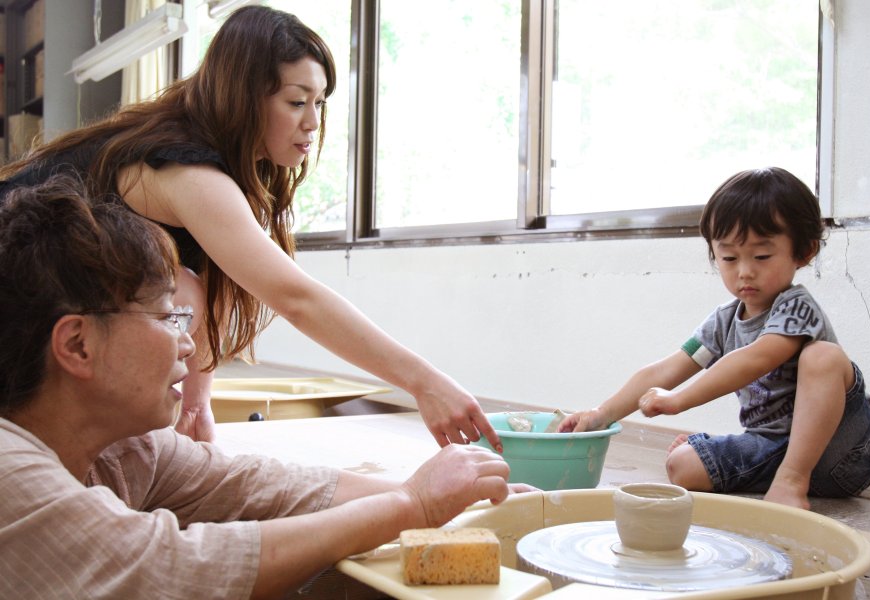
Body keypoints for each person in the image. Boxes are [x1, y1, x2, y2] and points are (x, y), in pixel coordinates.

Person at [0, 176, 529, 599]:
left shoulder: (122, 449)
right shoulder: (10, 470)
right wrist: (412, 506)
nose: (188, 345)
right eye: (169, 317)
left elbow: (257, 486)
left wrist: (453, 500)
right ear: (77, 345)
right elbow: (176, 569)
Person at [0, 5, 500, 451]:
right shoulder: (186, 170)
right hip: (15, 302)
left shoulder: (220, 163)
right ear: (245, 97)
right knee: (179, 296)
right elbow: (293, 296)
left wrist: (197, 404)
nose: (312, 122)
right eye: (295, 101)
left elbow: (217, 281)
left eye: (320, 102)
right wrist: (424, 382)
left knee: (185, 290)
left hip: (44, 309)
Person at [559, 167, 870, 510]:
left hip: (846, 450)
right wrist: (601, 414)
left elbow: (759, 356)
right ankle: (778, 473)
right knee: (682, 466)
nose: (745, 271)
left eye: (762, 256)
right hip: (773, 446)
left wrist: (680, 400)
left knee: (823, 356)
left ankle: (792, 480)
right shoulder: (723, 321)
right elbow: (667, 369)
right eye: (729, 258)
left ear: (803, 252)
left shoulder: (796, 307)